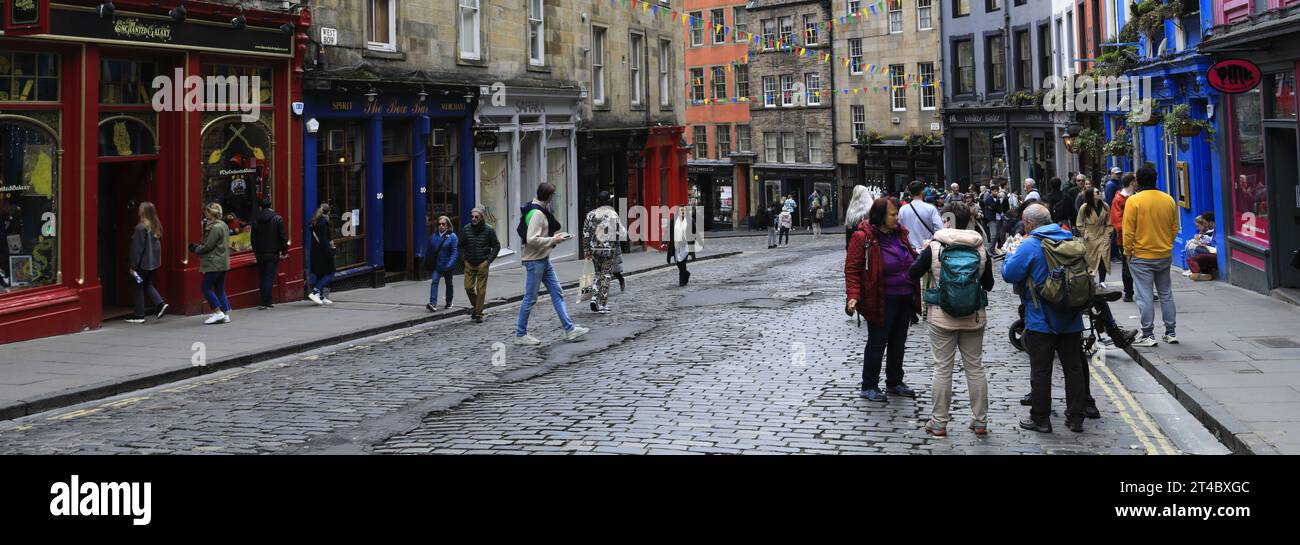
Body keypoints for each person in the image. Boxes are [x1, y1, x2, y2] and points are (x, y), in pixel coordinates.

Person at [1001, 203, 1088, 433]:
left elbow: (1010, 274)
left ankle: (1041, 418)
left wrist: (1010, 255)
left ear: (1029, 224)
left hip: (1041, 319)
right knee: (1074, 368)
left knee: (1041, 370)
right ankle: (1076, 417)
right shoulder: (1069, 238)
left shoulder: (1030, 244)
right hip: (1071, 317)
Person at [910, 202, 994, 436]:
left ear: (946, 220)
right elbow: (989, 285)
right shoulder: (979, 248)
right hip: (974, 317)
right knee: (975, 368)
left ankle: (939, 422)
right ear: (968, 220)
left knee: (942, 369)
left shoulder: (934, 247)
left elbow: (912, 273)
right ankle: (980, 421)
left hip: (941, 317)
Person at [845, 197, 921, 403]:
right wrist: (853, 296)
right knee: (877, 342)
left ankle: (894, 381)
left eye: (897, 214)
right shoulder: (863, 237)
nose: (897, 218)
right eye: (893, 215)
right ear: (880, 216)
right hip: (880, 296)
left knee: (898, 342)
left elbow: (911, 256)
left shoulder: (900, 233)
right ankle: (869, 385)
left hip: (904, 295)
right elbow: (852, 269)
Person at [515, 183, 589, 346]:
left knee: (557, 292)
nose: (554, 198)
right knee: (530, 298)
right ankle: (520, 334)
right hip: (535, 261)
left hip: (543, 259)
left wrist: (556, 237)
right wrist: (554, 239)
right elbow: (531, 239)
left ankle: (569, 329)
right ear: (548, 196)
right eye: (553, 195)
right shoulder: (537, 214)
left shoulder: (536, 209)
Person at [1123, 164, 1181, 347]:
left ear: (1137, 181)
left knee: (1144, 296)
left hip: (1141, 256)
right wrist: (1167, 245)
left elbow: (1128, 232)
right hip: (1163, 254)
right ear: (1156, 179)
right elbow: (1174, 227)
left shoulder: (1133, 201)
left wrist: (1127, 252)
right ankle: (1170, 332)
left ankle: (1148, 334)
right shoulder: (1169, 199)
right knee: (1166, 294)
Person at [582, 191, 625, 314]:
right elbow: (620, 232)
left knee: (597, 273)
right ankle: (602, 303)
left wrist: (586, 249)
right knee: (606, 275)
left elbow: (586, 233)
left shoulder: (591, 214)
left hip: (594, 249)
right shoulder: (613, 214)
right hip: (608, 249)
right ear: (608, 201)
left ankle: (594, 297)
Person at [126, 202, 169, 324]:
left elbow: (137, 249)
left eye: (140, 208)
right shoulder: (156, 226)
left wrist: (133, 266)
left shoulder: (141, 228)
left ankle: (139, 315)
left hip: (141, 265)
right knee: (147, 284)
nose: (138, 210)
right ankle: (161, 304)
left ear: (144, 212)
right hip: (152, 264)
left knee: (138, 286)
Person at [191, 203, 231, 324]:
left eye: (206, 212)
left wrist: (196, 249)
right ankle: (225, 314)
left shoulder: (215, 227)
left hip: (214, 262)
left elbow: (208, 245)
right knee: (219, 288)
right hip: (223, 262)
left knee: (206, 287)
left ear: (210, 213)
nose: (205, 213)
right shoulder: (223, 225)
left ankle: (218, 312)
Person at [459, 207, 500, 323]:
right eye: (472, 217)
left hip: (482, 262)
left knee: (481, 290)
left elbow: (496, 246)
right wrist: (464, 260)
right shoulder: (466, 229)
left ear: (482, 218)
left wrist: (488, 261)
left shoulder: (489, 230)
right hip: (469, 263)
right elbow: (460, 246)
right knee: (468, 287)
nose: (474, 219)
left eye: (476, 217)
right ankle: (478, 308)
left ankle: (478, 314)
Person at [250, 198, 288, 310]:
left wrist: (256, 251)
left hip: (260, 253)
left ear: (261, 207)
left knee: (262, 276)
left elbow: (253, 238)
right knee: (269, 277)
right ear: (271, 206)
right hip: (272, 253)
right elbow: (282, 237)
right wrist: (284, 251)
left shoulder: (256, 219)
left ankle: (264, 301)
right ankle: (266, 302)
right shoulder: (277, 218)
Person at [1076, 187, 1113, 285]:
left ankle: (1102, 281)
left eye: (1099, 191)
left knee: (1103, 258)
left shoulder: (1105, 206)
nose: (1099, 193)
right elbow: (1079, 223)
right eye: (1096, 192)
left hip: (1103, 235)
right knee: (1091, 260)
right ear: (1091, 195)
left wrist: (1108, 235)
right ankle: (1091, 280)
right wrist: (1085, 234)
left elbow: (1109, 223)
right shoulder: (1084, 207)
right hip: (1090, 237)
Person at [1110, 173, 1137, 301]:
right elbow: (1117, 221)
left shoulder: (1136, 197)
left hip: (1140, 238)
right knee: (1127, 266)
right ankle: (1128, 292)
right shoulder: (1119, 199)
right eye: (1136, 181)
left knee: (1143, 266)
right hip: (1125, 238)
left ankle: (1145, 290)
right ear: (1132, 183)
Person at [897, 180, 944, 252]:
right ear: (923, 191)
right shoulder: (931, 208)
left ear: (910, 193)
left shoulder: (902, 209)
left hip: (909, 250)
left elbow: (899, 229)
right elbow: (940, 228)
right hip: (928, 249)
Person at [424, 215, 458, 312]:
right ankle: (433, 303)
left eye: (443, 224)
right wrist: (426, 263)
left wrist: (450, 264)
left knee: (449, 284)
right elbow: (428, 252)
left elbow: (454, 252)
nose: (441, 226)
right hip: (437, 265)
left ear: (447, 225)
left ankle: (449, 302)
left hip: (447, 265)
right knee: (434, 282)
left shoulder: (452, 236)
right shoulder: (433, 237)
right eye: (439, 224)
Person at [308, 203, 336, 306]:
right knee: (331, 272)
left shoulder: (316, 221)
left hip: (316, 252)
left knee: (321, 274)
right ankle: (315, 292)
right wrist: (330, 253)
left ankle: (320, 296)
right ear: (328, 211)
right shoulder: (323, 223)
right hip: (323, 253)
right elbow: (324, 240)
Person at [666, 205, 698, 286]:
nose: (682, 212)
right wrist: (664, 242)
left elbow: (694, 231)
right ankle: (686, 274)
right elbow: (668, 232)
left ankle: (682, 281)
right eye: (681, 210)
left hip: (686, 245)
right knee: (678, 263)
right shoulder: (673, 221)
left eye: (684, 211)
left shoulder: (690, 221)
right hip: (676, 245)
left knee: (682, 262)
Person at [1186, 212, 1217, 281]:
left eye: (1206, 223)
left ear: (1211, 222)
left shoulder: (1218, 230)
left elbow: (1216, 247)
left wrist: (1205, 246)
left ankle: (1199, 272)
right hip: (1210, 249)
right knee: (1190, 256)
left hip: (1215, 253)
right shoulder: (1215, 230)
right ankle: (1200, 273)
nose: (1205, 225)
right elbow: (1211, 241)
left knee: (1193, 248)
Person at [843, 185, 873, 250]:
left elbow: (848, 230)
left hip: (854, 245)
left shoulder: (850, 210)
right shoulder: (870, 208)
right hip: (866, 245)